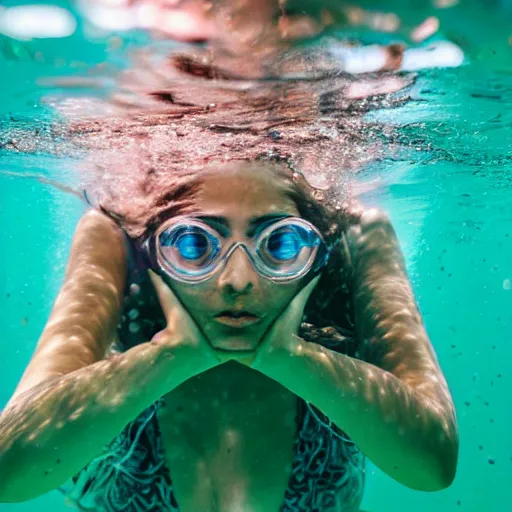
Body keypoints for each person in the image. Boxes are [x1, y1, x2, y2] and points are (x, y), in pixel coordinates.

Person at [0, 158, 458, 512]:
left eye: (279, 245)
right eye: (196, 245)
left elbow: (433, 463)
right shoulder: (116, 238)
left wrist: (291, 358)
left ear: (312, 240)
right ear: (157, 244)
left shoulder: (355, 239)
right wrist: (170, 355)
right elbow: (10, 469)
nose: (238, 279)